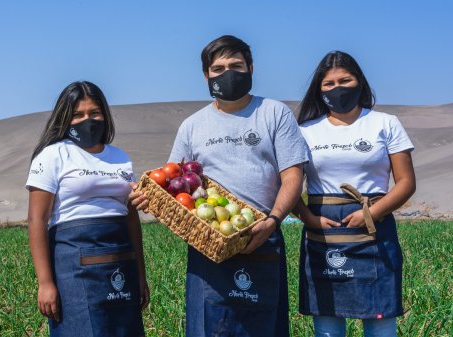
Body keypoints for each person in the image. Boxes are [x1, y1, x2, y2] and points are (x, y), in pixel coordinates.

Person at [130, 35, 309, 337]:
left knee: (264, 327)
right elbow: (173, 183)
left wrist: (273, 220)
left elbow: (293, 177)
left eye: (236, 65)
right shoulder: (192, 125)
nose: (227, 73)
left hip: (262, 236)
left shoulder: (274, 113)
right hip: (208, 242)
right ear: (206, 75)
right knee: (209, 327)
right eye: (218, 68)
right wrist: (150, 197)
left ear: (251, 68)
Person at [294, 51, 416, 337]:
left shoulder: (386, 123)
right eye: (329, 84)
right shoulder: (304, 131)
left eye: (345, 80)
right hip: (322, 233)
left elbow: (406, 182)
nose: (337, 88)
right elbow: (287, 185)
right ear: (319, 89)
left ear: (359, 82)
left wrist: (371, 213)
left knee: (381, 321)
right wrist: (310, 219)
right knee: (327, 325)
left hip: (375, 225)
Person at [26, 81, 149, 337]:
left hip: (120, 261)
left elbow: (131, 218)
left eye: (94, 113)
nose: (87, 120)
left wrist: (140, 274)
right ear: (65, 119)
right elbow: (37, 220)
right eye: (78, 115)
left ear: (104, 114)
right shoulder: (52, 156)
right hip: (74, 264)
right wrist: (45, 283)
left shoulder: (120, 157)